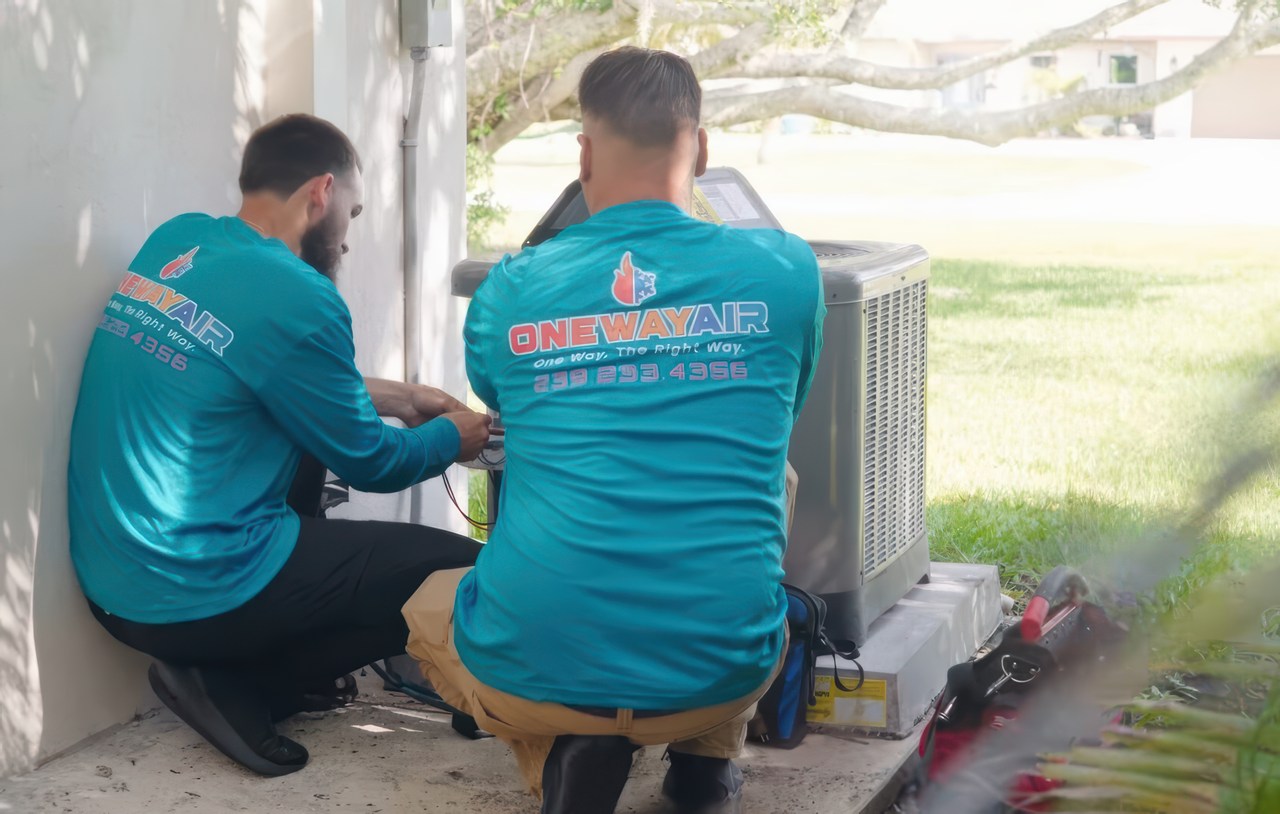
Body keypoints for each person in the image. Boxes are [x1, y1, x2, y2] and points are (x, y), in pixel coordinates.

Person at [403, 48, 824, 813]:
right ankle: (706, 762)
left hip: (535, 672)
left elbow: (508, 418)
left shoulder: (513, 290)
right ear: (701, 149)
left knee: (428, 604)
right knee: (774, 477)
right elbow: (772, 417)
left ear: (585, 154)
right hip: (721, 673)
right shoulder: (788, 273)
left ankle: (569, 749)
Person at [67, 114, 491, 777]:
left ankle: (241, 663)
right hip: (193, 595)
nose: (346, 239)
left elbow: (259, 372)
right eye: (351, 212)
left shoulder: (178, 240)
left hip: (112, 585)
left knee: (305, 447)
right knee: (464, 570)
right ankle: (242, 685)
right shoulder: (304, 296)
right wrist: (449, 438)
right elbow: (373, 461)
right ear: (321, 194)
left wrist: (405, 399)